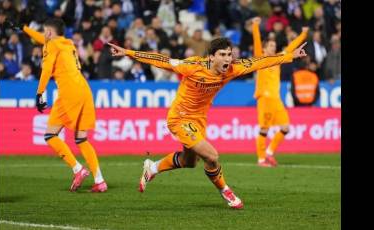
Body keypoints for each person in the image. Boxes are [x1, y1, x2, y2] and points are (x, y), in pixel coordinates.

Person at [108, 35, 307, 209]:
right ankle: (226, 192)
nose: (228, 59)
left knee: (189, 162)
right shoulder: (193, 66)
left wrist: (290, 56)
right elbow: (162, 60)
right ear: (211, 57)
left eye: (229, 54)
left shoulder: (233, 69)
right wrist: (128, 52)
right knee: (212, 156)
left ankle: (152, 167)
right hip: (180, 118)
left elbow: (260, 61)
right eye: (222, 55)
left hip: (199, 120)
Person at [6, 18, 107, 193]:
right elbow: (42, 38)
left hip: (69, 92)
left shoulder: (51, 45)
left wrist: (39, 93)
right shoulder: (67, 43)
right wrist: (23, 28)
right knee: (81, 138)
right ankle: (100, 181)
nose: (44, 34)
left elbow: (46, 69)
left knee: (50, 135)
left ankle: (78, 169)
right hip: (84, 90)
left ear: (50, 33)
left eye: (45, 31)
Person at [251, 17, 309, 167]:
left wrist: (303, 35)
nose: (273, 47)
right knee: (264, 129)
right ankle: (261, 159)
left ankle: (270, 152)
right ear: (264, 49)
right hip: (264, 98)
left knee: (285, 128)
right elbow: (257, 42)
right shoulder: (260, 59)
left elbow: (291, 48)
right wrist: (256, 26)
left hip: (276, 100)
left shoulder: (277, 59)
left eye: (274, 45)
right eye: (270, 45)